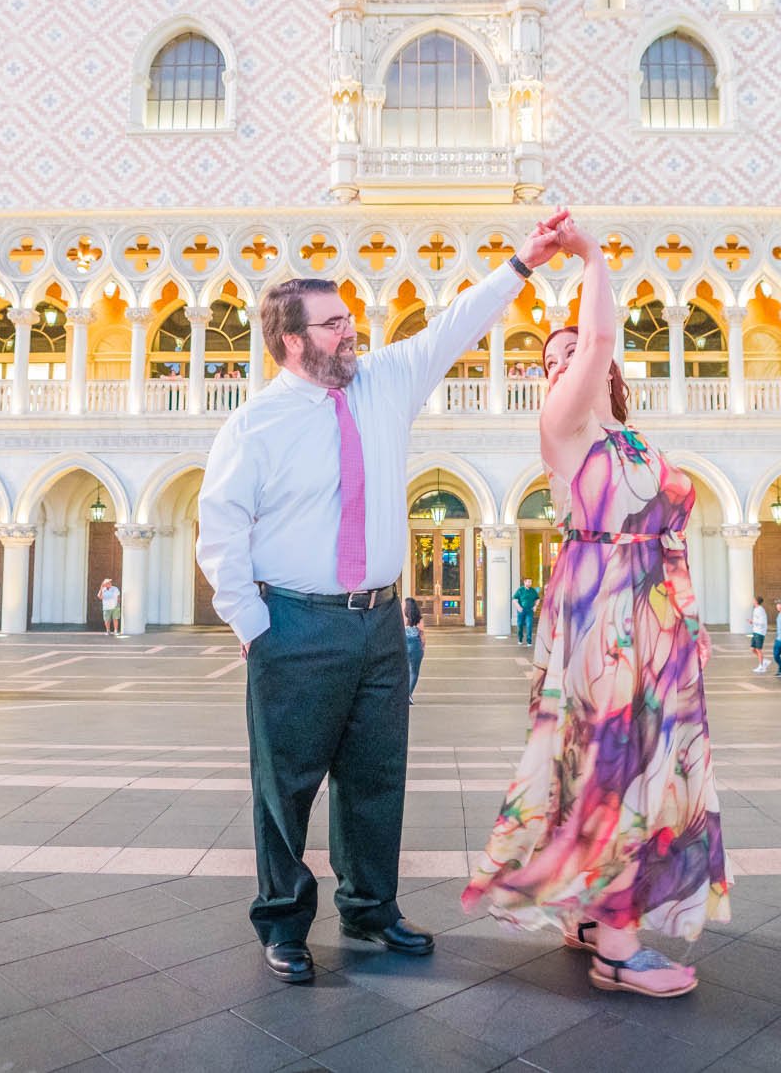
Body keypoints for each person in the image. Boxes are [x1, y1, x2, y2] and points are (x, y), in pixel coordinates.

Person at [198, 210, 569, 985]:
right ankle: (284, 924)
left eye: (350, 319)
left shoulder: (384, 385)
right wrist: (253, 626)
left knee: (375, 778)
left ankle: (371, 908)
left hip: (378, 625)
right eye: (333, 324)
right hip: (294, 624)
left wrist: (521, 264)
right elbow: (221, 527)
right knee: (286, 787)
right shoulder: (255, 423)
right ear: (292, 340)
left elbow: (451, 327)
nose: (351, 332)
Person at [465, 215, 726, 1000]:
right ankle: (619, 947)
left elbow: (663, 533)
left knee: (605, 765)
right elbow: (602, 336)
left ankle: (588, 917)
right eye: (551, 359)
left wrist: (686, 623)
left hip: (650, 616)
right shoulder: (565, 426)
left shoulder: (632, 439)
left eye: (573, 352)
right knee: (624, 767)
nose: (565, 363)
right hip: (608, 619)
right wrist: (591, 258)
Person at [402, 597, 424, 703]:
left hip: (404, 644)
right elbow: (422, 634)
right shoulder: (418, 618)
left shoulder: (401, 617)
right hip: (415, 645)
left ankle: (405, 694)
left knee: (404, 671)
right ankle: (408, 693)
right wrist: (423, 647)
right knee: (414, 671)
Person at [514, 579, 540, 646]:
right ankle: (520, 639)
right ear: (524, 582)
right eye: (528, 582)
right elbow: (514, 599)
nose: (530, 583)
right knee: (520, 625)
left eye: (531, 582)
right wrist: (518, 607)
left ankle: (529, 641)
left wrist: (535, 606)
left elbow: (537, 599)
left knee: (529, 625)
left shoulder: (533, 590)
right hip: (521, 610)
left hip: (530, 610)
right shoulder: (520, 590)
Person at [749, 596, 769, 672]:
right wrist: (752, 622)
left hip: (760, 632)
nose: (752, 601)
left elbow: (762, 622)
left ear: (757, 601)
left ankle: (761, 667)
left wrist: (753, 622)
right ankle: (764, 661)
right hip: (755, 631)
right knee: (752, 649)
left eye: (754, 600)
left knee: (758, 649)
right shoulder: (756, 609)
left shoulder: (760, 610)